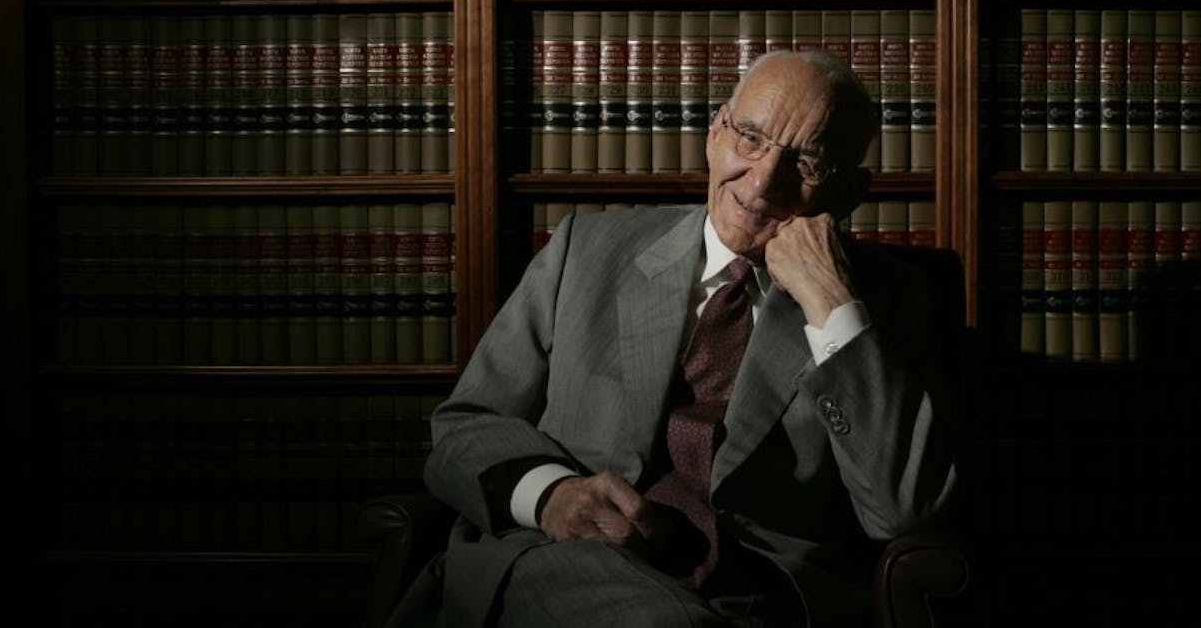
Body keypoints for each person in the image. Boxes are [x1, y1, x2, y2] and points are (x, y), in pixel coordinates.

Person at [390, 49, 959, 627]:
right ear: (715, 133)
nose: (763, 182)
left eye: (807, 163)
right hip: (566, 565)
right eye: (750, 138)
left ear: (849, 193)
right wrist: (549, 495)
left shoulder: (887, 302)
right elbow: (465, 424)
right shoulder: (583, 251)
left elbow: (900, 511)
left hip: (757, 599)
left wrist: (830, 304)